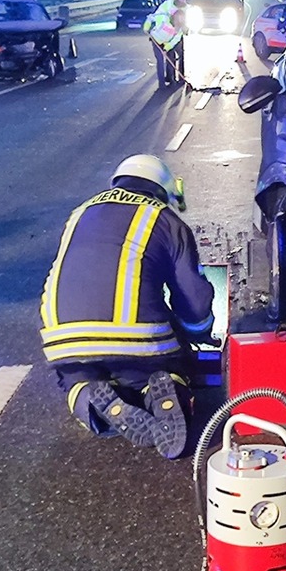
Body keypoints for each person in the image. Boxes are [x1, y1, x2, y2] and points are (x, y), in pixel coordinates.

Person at [39, 154, 216, 456]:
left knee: (75, 378)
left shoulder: (80, 212)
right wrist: (199, 331)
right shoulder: (166, 220)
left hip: (63, 338)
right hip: (137, 341)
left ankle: (92, 401)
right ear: (163, 190)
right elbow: (192, 297)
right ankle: (167, 389)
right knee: (161, 366)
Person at [143, 0, 187, 88]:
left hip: (167, 41)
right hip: (156, 39)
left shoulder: (179, 30)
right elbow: (151, 17)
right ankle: (162, 83)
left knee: (171, 57)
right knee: (160, 60)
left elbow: (173, 41)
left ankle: (176, 79)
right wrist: (146, 27)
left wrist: (166, 48)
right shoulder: (164, 18)